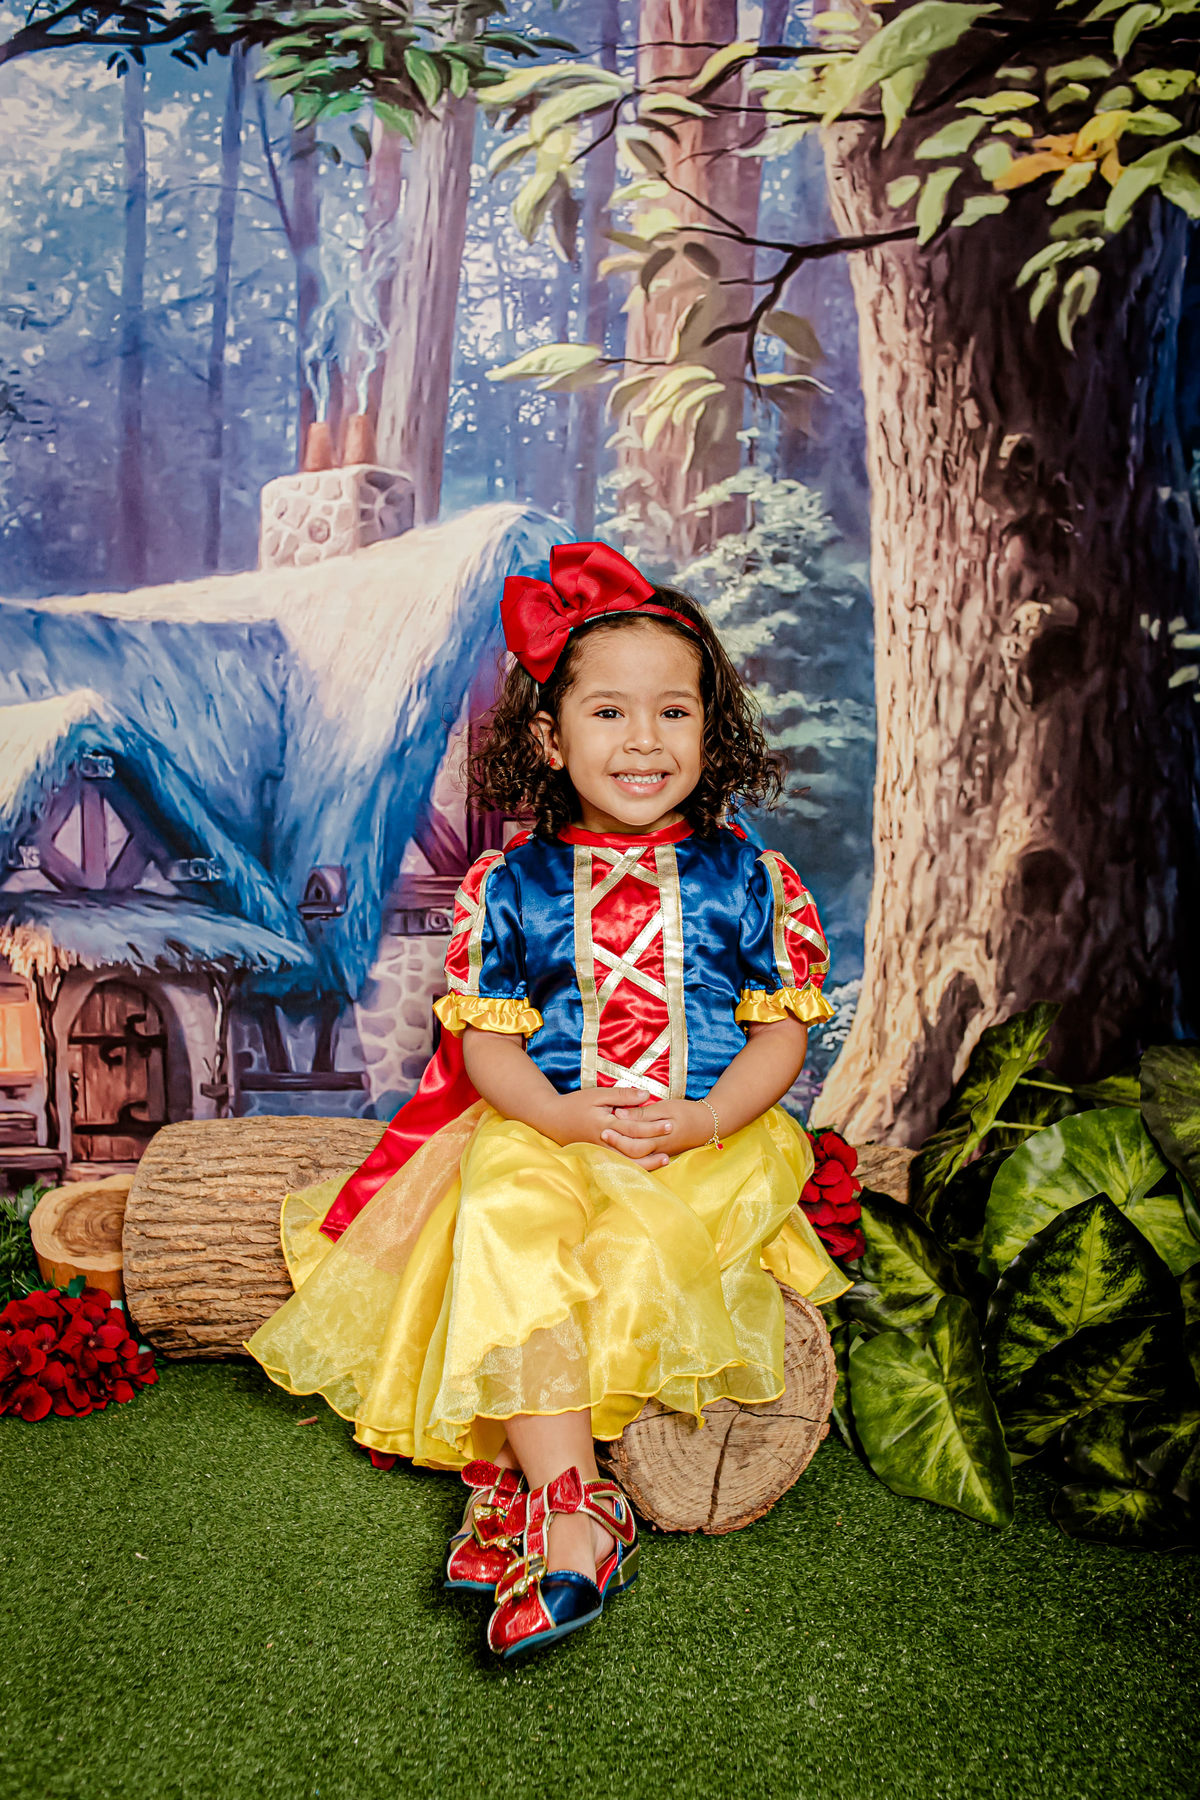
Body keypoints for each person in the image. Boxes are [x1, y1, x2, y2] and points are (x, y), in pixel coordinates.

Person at [243, 541, 851, 1660]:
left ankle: (538, 1499)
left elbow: (780, 1038)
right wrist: (564, 1120)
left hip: (704, 1137)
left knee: (638, 1251)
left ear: (710, 732)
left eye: (674, 712)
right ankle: (575, 1508)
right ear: (548, 735)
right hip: (551, 1123)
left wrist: (711, 1120)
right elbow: (488, 1056)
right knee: (508, 1217)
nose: (643, 740)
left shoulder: (749, 878)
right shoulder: (508, 885)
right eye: (609, 713)